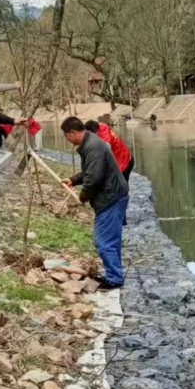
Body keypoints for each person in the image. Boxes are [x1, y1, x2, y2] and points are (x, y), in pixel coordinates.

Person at [61, 116, 129, 291]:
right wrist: (73, 180)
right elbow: (90, 171)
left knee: (104, 241)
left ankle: (114, 279)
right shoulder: (91, 143)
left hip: (111, 198)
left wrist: (83, 196)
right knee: (111, 240)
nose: (67, 140)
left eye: (66, 136)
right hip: (112, 195)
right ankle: (114, 274)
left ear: (73, 133)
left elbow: (94, 178)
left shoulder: (92, 147)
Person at [86, 119, 134, 225]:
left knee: (119, 190)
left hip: (124, 162)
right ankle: (112, 215)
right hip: (116, 163)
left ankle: (122, 220)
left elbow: (107, 148)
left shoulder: (103, 130)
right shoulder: (95, 131)